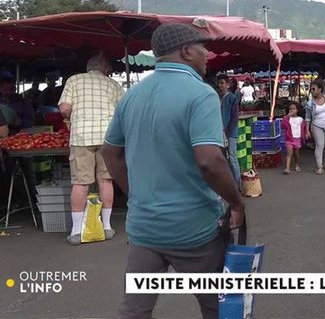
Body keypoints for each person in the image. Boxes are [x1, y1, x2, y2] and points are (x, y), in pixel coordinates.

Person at [101, 23, 245, 319]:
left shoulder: (132, 96)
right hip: (193, 230)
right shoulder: (201, 94)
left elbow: (110, 152)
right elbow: (209, 160)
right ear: (187, 50)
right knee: (217, 306)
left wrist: (136, 194)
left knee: (134, 311)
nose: (208, 54)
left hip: (144, 229)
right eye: (204, 48)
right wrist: (236, 201)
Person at [58, 55, 124, 246]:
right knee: (106, 181)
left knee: (81, 182)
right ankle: (107, 227)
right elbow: (122, 112)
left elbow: (63, 108)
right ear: (104, 69)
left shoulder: (74, 80)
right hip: (108, 137)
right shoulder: (113, 84)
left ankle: (77, 231)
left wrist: (72, 118)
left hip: (81, 137)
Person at [305, 79, 325, 175]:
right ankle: (319, 167)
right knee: (319, 145)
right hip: (316, 125)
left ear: (320, 89)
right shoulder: (310, 103)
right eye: (311, 89)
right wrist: (307, 130)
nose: (312, 91)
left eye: (314, 89)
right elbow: (308, 117)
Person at [217, 74, 241, 190]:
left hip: (231, 133)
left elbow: (235, 117)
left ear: (227, 84)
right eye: (219, 83)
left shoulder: (232, 98)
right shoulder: (217, 97)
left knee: (232, 158)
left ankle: (237, 186)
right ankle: (227, 185)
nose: (220, 85)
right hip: (219, 132)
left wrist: (228, 131)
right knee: (223, 159)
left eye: (222, 83)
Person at [282, 101, 306, 174]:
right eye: (290, 109)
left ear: (297, 110)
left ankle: (297, 164)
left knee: (296, 153)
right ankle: (287, 168)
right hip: (289, 138)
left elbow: (303, 128)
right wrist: (287, 116)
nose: (292, 110)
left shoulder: (300, 119)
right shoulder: (287, 118)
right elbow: (283, 125)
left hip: (297, 138)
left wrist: (305, 135)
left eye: (293, 109)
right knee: (289, 153)